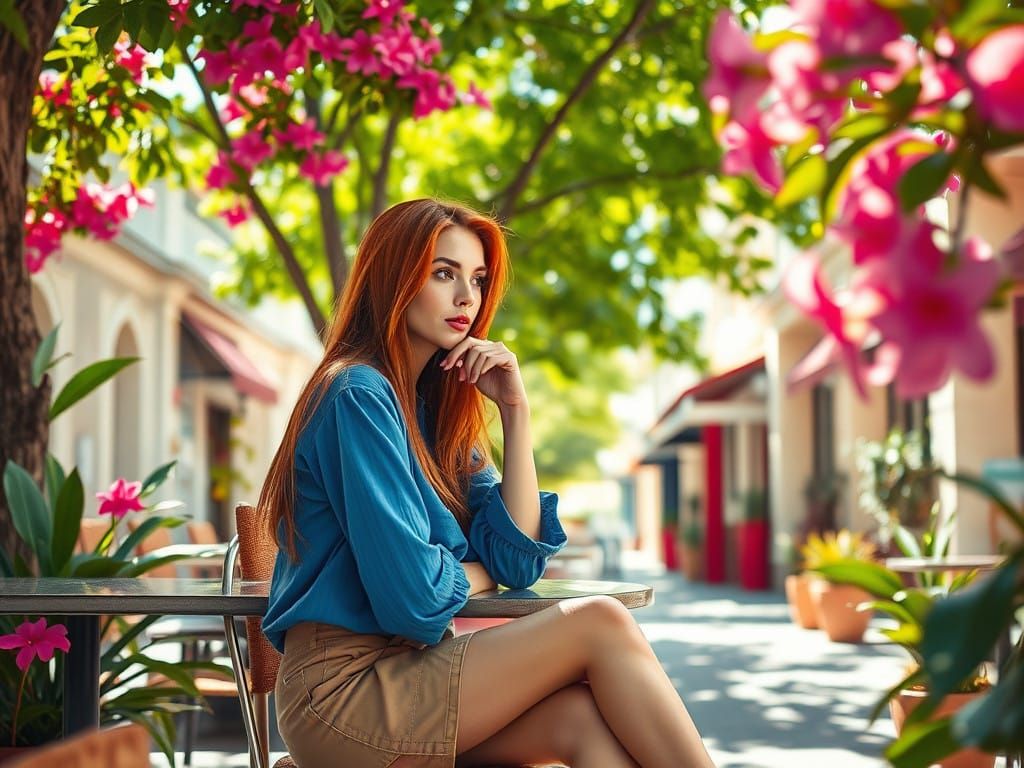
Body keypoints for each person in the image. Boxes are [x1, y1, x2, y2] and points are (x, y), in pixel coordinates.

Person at [259, 199, 716, 768]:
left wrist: (515, 411)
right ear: (393, 280)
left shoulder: (435, 410)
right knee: (600, 621)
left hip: (410, 671)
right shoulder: (358, 396)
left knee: (578, 720)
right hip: (343, 694)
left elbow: (518, 560)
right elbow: (416, 601)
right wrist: (480, 572)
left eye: (476, 280)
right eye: (443, 273)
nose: (466, 299)